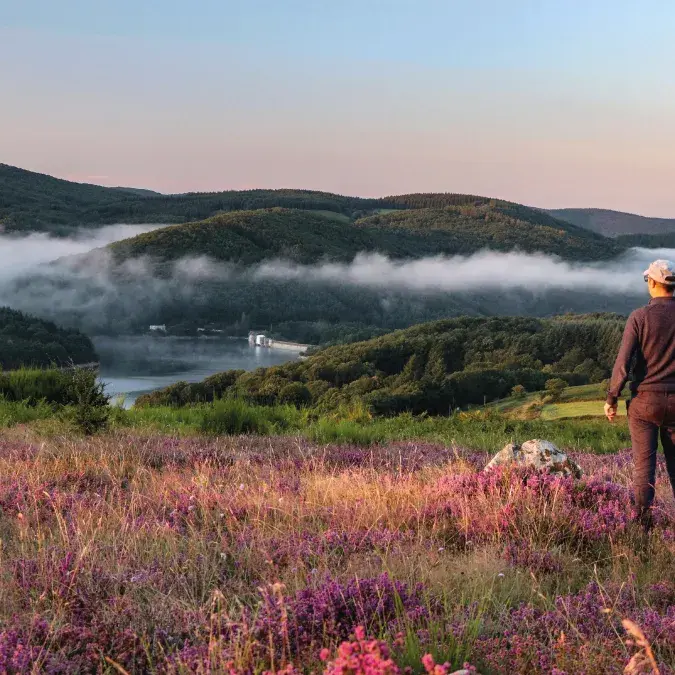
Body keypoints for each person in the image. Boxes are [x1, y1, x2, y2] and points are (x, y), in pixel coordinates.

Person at [605, 260, 675, 529]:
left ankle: (642, 529)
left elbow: (623, 364)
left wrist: (612, 398)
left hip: (645, 403)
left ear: (653, 283)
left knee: (644, 470)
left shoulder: (639, 317)